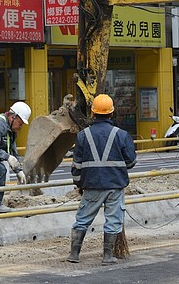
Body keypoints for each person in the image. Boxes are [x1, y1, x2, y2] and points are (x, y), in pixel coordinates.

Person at [67, 94, 137, 265]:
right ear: (111, 113)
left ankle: (74, 254)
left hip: (91, 186)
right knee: (113, 221)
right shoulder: (121, 135)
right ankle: (107, 256)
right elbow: (131, 161)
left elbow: (76, 166)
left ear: (93, 113)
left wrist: (79, 184)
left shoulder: (83, 136)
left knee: (82, 219)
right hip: (115, 185)